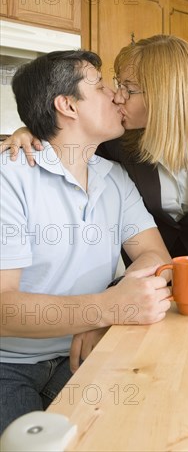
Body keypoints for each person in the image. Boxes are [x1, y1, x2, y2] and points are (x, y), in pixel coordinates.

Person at [0, 35, 188, 266]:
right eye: (116, 85)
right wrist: (29, 130)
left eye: (128, 87)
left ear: (163, 94)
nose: (118, 96)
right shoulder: (117, 142)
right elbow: (68, 137)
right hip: (155, 270)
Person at [0, 50, 171, 434]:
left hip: (84, 353)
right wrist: (104, 308)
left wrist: (107, 312)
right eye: (101, 86)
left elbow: (154, 254)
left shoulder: (114, 177)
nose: (116, 96)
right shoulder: (9, 177)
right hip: (7, 364)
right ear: (67, 106)